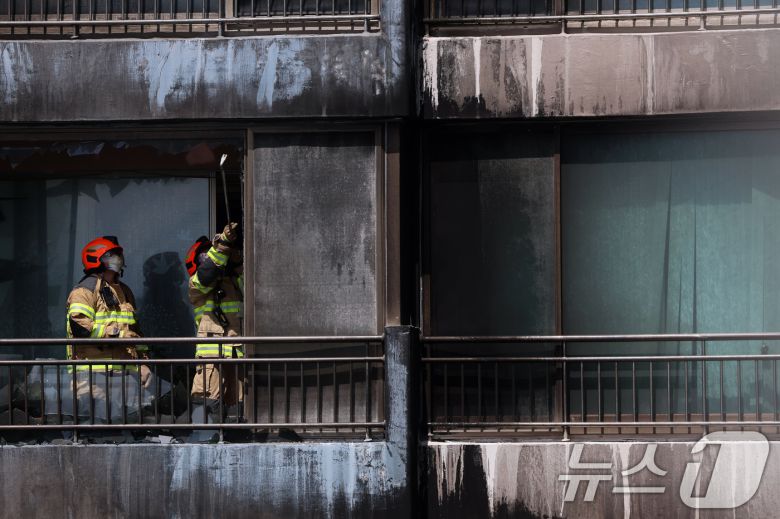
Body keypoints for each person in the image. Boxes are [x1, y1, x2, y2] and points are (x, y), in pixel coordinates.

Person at [65, 236, 148, 422]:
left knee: (126, 426)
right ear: (97, 259)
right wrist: (116, 333)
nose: (118, 260)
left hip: (123, 373)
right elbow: (80, 327)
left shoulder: (124, 291)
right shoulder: (84, 291)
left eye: (118, 255)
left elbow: (135, 331)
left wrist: (143, 362)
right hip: (91, 372)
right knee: (95, 427)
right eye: (112, 255)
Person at [184, 223, 244, 428]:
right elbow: (207, 274)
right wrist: (223, 247)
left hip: (235, 355)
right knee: (206, 400)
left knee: (237, 405)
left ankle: (237, 438)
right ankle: (203, 437)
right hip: (210, 358)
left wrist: (237, 262)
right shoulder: (196, 285)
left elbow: (254, 289)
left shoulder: (234, 283)